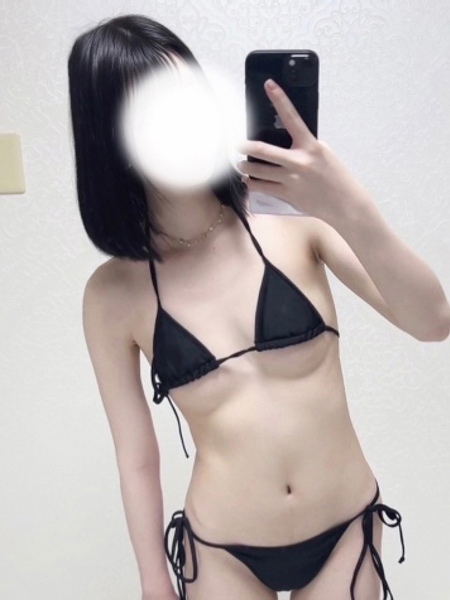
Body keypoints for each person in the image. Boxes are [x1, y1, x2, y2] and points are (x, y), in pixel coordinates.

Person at [68, 14, 450, 600]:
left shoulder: (291, 215)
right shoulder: (112, 295)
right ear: (110, 136)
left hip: (345, 528)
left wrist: (347, 204)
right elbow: (136, 455)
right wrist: (153, 580)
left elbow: (434, 322)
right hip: (221, 552)